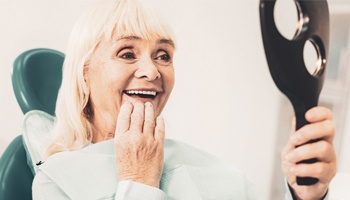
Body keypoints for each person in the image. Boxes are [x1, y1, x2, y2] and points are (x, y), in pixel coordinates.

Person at [32, 0, 336, 199]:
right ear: (84, 73)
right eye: (127, 53)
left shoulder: (228, 179)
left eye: (163, 55)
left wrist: (304, 194)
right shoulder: (55, 181)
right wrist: (138, 181)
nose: (151, 71)